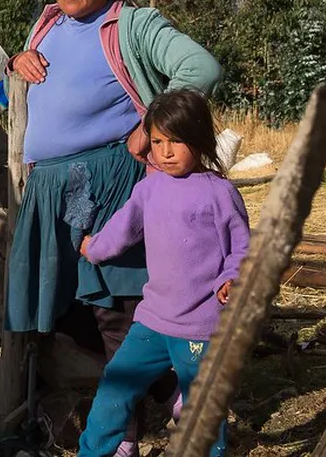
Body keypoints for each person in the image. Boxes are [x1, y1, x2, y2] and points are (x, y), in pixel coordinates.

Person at [4, 0, 222, 455]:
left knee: (115, 307)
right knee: (65, 310)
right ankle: (164, 392)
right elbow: (13, 91)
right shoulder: (47, 25)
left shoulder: (133, 26)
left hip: (106, 183)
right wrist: (15, 62)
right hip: (50, 189)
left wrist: (150, 130)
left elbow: (202, 68)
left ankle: (128, 431)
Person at [78, 89, 249, 457]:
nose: (166, 151)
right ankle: (93, 451)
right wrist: (93, 248)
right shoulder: (148, 188)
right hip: (152, 320)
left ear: (200, 139)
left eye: (176, 140)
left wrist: (232, 278)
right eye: (157, 141)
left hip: (201, 326)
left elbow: (242, 249)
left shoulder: (220, 193)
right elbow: (121, 229)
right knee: (115, 387)